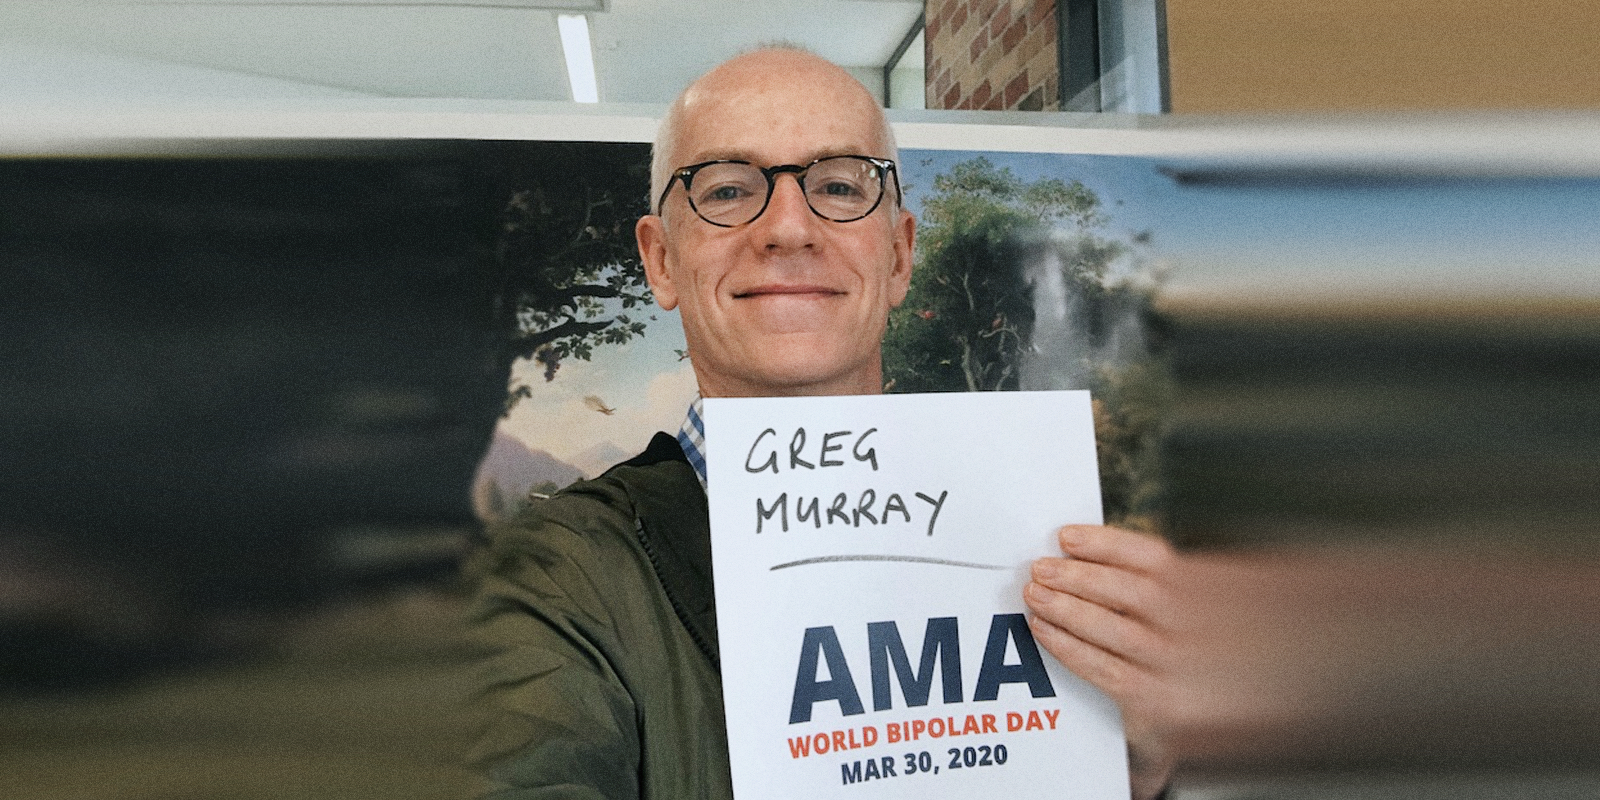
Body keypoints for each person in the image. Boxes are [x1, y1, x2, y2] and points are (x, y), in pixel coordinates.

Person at [468, 46, 1178, 800]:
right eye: (729, 189)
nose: (788, 229)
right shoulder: (554, 582)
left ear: (900, 255)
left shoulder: (1056, 546)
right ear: (661, 261)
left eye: (839, 186)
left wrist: (1142, 773)